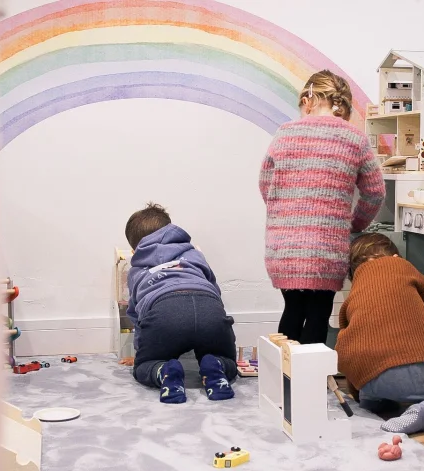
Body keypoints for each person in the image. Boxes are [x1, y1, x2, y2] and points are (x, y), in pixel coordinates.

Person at [259, 69, 386, 345]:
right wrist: (354, 224)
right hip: (327, 248)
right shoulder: (354, 139)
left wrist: (286, 213)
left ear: (309, 97)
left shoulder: (285, 134)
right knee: (318, 313)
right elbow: (375, 193)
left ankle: (284, 380)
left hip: (284, 247)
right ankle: (311, 381)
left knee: (292, 309)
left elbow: (266, 184)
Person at [335, 233, 424, 434]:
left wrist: (359, 389)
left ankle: (372, 403)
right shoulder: (402, 267)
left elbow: (348, 333)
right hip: (408, 366)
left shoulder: (357, 289)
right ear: (396, 257)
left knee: (372, 363)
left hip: (364, 378)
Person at [123, 203, 237, 403]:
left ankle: (163, 370)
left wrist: (143, 353)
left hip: (164, 313)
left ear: (135, 249)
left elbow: (136, 314)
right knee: (227, 360)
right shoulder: (194, 254)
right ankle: (216, 365)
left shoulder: (136, 269)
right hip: (208, 308)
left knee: (144, 367)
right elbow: (214, 290)